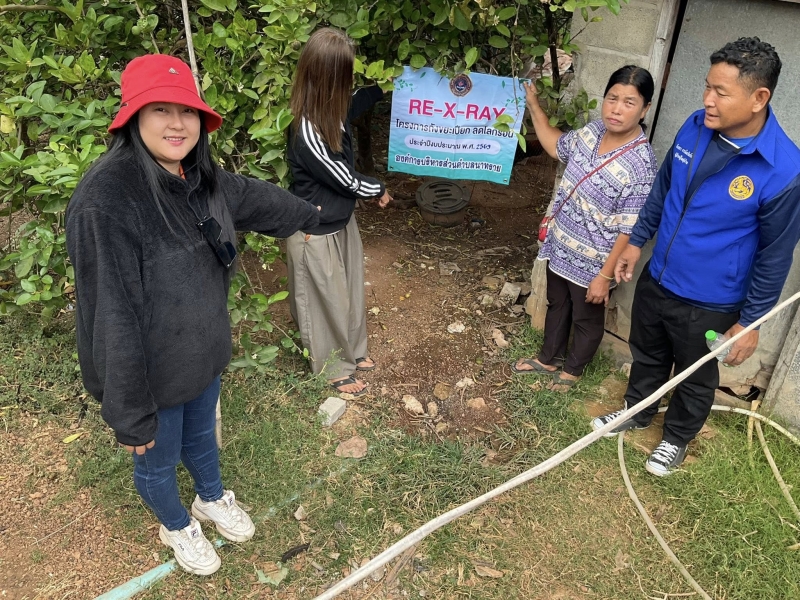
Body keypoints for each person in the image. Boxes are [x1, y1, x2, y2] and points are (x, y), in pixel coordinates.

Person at [65, 55, 320, 575]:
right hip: (150, 373)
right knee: (157, 458)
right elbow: (109, 311)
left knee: (202, 437)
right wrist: (130, 413)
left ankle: (210, 497)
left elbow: (251, 197)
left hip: (200, 355)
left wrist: (310, 215)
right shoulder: (106, 199)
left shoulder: (197, 176)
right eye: (160, 110)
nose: (177, 123)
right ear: (133, 117)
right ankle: (176, 524)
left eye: (187, 111)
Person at [592, 38, 800, 477]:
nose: (707, 99)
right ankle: (637, 411)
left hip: (711, 301)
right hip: (659, 276)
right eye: (707, 86)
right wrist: (636, 241)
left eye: (721, 92)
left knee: (695, 374)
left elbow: (775, 254)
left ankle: (677, 437)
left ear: (759, 97)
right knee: (647, 352)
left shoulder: (783, 170)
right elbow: (664, 187)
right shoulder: (694, 126)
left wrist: (750, 323)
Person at [512, 66, 658, 392]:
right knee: (557, 303)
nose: (616, 109)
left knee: (586, 318)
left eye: (629, 103)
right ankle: (548, 358)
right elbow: (556, 146)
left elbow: (629, 230)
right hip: (561, 244)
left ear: (644, 109)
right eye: (612, 98)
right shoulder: (592, 132)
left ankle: (573, 371)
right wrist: (533, 104)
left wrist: (604, 277)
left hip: (595, 262)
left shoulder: (641, 164)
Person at [286, 28, 392, 397]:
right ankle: (333, 368)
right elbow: (344, 179)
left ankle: (354, 350)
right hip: (314, 230)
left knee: (347, 292)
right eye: (346, 73)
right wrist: (378, 189)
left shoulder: (334, 110)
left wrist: (389, 86)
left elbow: (359, 101)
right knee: (323, 302)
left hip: (341, 222)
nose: (351, 81)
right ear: (329, 78)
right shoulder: (307, 130)